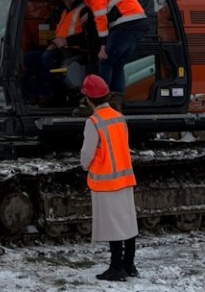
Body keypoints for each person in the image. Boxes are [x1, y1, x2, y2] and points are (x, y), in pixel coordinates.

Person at [62, 0, 147, 107]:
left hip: (125, 23)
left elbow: (100, 16)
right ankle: (115, 101)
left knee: (105, 60)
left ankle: (98, 101)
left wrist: (102, 44)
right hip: (137, 22)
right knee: (117, 63)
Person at [79, 74, 138, 281]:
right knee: (127, 223)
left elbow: (87, 153)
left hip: (106, 180)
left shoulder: (93, 122)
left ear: (88, 99)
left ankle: (116, 268)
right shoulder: (119, 117)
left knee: (114, 226)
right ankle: (129, 265)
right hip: (125, 177)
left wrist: (85, 166)